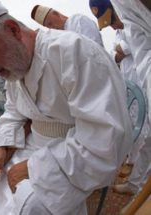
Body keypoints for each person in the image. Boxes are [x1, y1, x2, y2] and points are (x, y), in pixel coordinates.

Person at [0, 0, 132, 214]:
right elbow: (13, 112)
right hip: (33, 148)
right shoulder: (14, 68)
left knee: (32, 206)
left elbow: (105, 142)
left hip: (73, 158)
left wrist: (34, 169)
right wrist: (0, 145)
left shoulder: (75, 53)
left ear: (13, 29)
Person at [90, 0, 151, 197]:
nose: (114, 25)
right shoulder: (128, 28)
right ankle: (137, 185)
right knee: (146, 140)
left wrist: (119, 52)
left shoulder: (132, 26)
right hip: (141, 90)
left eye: (113, 19)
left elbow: (123, 51)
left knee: (145, 137)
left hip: (144, 89)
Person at [31, 5, 104, 47]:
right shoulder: (61, 38)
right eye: (48, 27)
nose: (52, 27)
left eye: (50, 23)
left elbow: (95, 47)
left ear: (55, 14)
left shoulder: (78, 20)